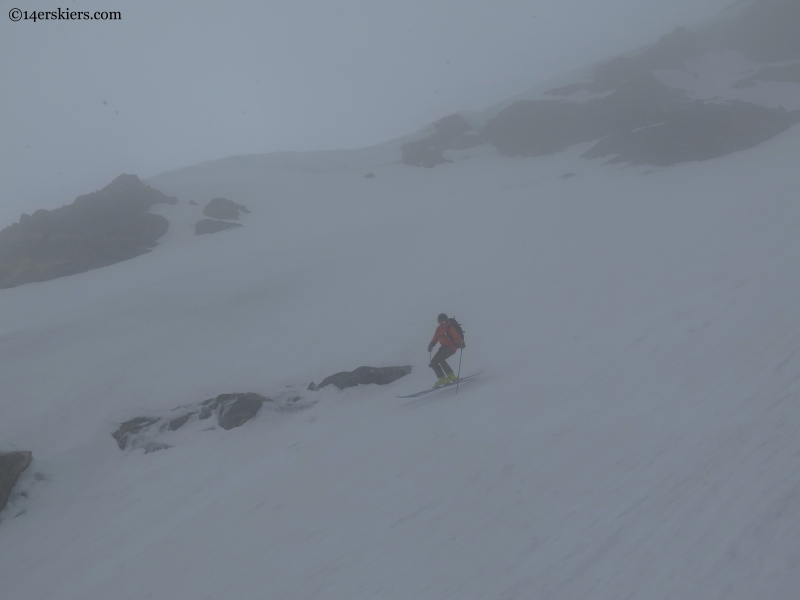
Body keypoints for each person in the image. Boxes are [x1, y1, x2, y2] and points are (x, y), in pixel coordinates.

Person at [427, 313, 465, 388]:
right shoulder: (438, 329)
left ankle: (451, 376)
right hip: (444, 347)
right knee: (433, 362)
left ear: (446, 321)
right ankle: (442, 378)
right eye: (440, 322)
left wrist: (460, 342)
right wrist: (431, 344)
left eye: (443, 322)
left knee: (440, 358)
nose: (441, 324)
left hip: (451, 347)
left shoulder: (450, 327)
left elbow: (456, 336)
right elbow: (435, 338)